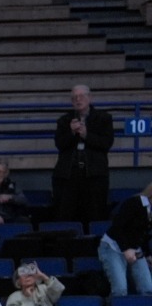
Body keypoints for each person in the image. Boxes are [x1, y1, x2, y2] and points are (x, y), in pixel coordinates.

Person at [53, 84, 113, 223]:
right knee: (66, 217)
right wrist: (72, 133)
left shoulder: (104, 119)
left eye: (81, 96)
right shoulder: (64, 120)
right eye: (74, 97)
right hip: (68, 176)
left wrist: (86, 135)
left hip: (94, 175)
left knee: (95, 216)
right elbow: (60, 144)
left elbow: (106, 143)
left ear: (89, 98)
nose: (78, 100)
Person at [99, 182, 152, 297]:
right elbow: (118, 227)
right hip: (113, 246)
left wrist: (147, 254)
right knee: (120, 289)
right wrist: (126, 248)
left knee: (148, 289)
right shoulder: (135, 203)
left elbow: (144, 234)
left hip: (135, 248)